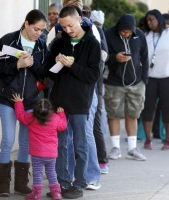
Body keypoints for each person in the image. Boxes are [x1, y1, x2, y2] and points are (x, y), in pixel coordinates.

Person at [46, 6, 101, 199]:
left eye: (69, 25)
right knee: (60, 145)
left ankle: (79, 183)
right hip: (59, 101)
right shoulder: (60, 41)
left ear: (79, 19)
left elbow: (93, 75)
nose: (67, 30)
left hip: (80, 102)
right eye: (63, 27)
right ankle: (62, 182)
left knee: (79, 144)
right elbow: (48, 70)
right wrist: (57, 61)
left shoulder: (92, 44)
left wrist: (72, 65)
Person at [0, 9, 48, 197]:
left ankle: (21, 184)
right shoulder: (8, 40)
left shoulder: (41, 46)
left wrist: (33, 65)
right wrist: (17, 65)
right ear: (26, 24)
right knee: (8, 140)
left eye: (42, 30)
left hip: (31, 100)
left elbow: (44, 74)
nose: (39, 34)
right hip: (8, 98)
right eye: (36, 29)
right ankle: (2, 185)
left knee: (25, 143)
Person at [104, 13, 148, 161]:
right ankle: (115, 148)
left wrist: (144, 80)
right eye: (124, 31)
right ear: (118, 28)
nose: (126, 34)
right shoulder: (108, 34)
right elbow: (102, 56)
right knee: (113, 114)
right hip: (113, 83)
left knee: (133, 114)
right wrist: (114, 57)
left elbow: (145, 57)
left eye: (129, 32)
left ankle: (132, 148)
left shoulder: (139, 35)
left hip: (136, 82)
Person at [142, 9, 169, 150]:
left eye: (152, 20)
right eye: (147, 20)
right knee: (147, 109)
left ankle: (168, 140)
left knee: (168, 109)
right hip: (150, 78)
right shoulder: (146, 36)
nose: (149, 23)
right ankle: (148, 139)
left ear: (159, 20)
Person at [13, 94, 67, 200]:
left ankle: (37, 194)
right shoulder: (55, 118)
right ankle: (56, 193)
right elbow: (63, 125)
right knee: (51, 172)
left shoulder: (31, 117)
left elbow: (20, 116)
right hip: (51, 154)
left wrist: (18, 103)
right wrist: (61, 114)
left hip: (37, 153)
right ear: (51, 110)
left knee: (37, 173)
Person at [90, 8, 110, 174]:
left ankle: (102, 160)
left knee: (95, 122)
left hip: (94, 85)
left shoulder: (96, 31)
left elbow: (103, 55)